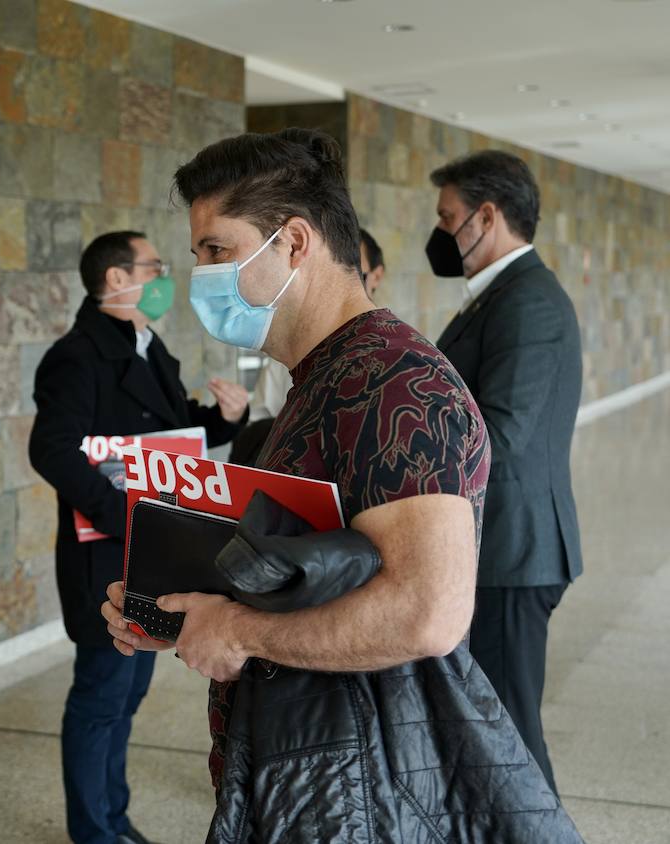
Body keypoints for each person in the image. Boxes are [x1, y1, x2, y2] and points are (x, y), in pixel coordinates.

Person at [100, 129, 579, 841]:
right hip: (307, 768)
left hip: (359, 791)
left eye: (216, 251)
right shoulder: (325, 375)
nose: (202, 275)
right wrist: (182, 612)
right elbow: (320, 570)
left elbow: (427, 611)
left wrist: (240, 630)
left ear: (294, 242)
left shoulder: (392, 380)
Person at [28, 231, 249, 844]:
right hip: (107, 551)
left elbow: (169, 433)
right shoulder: (77, 356)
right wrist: (123, 514)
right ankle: (93, 831)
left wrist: (224, 420)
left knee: (128, 694)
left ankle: (114, 818)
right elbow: (51, 449)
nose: (164, 278)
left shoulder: (147, 345)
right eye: (153, 267)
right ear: (118, 280)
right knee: (100, 695)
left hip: (149, 552)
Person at [429, 150, 584, 793]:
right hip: (495, 549)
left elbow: (502, 435)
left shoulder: (528, 302)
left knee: (508, 733)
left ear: (485, 217)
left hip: (513, 554)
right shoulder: (496, 297)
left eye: (447, 217)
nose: (440, 231)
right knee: (489, 727)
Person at [230, 226, 385, 465]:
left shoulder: (393, 352)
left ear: (376, 275)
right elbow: (258, 431)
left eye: (356, 272)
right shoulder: (289, 353)